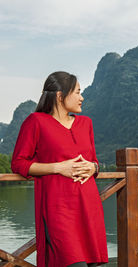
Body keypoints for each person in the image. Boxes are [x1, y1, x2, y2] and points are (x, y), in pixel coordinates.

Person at [11, 71, 108, 267]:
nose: (82, 97)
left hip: (89, 205)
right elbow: (19, 163)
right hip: (58, 208)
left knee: (94, 264)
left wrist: (93, 167)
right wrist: (57, 167)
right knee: (74, 263)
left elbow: (93, 161)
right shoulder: (35, 122)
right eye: (78, 92)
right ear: (59, 95)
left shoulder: (86, 124)